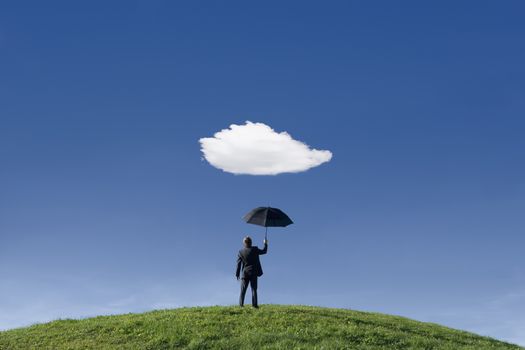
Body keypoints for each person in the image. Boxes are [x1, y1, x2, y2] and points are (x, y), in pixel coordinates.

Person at [235, 236, 268, 308]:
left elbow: (238, 264)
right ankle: (254, 305)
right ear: (251, 242)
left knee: (243, 290)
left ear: (244, 243)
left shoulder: (241, 252)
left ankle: (241, 305)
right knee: (254, 289)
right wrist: (265, 243)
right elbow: (264, 251)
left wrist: (237, 274)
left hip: (245, 273)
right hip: (253, 272)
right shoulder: (255, 249)